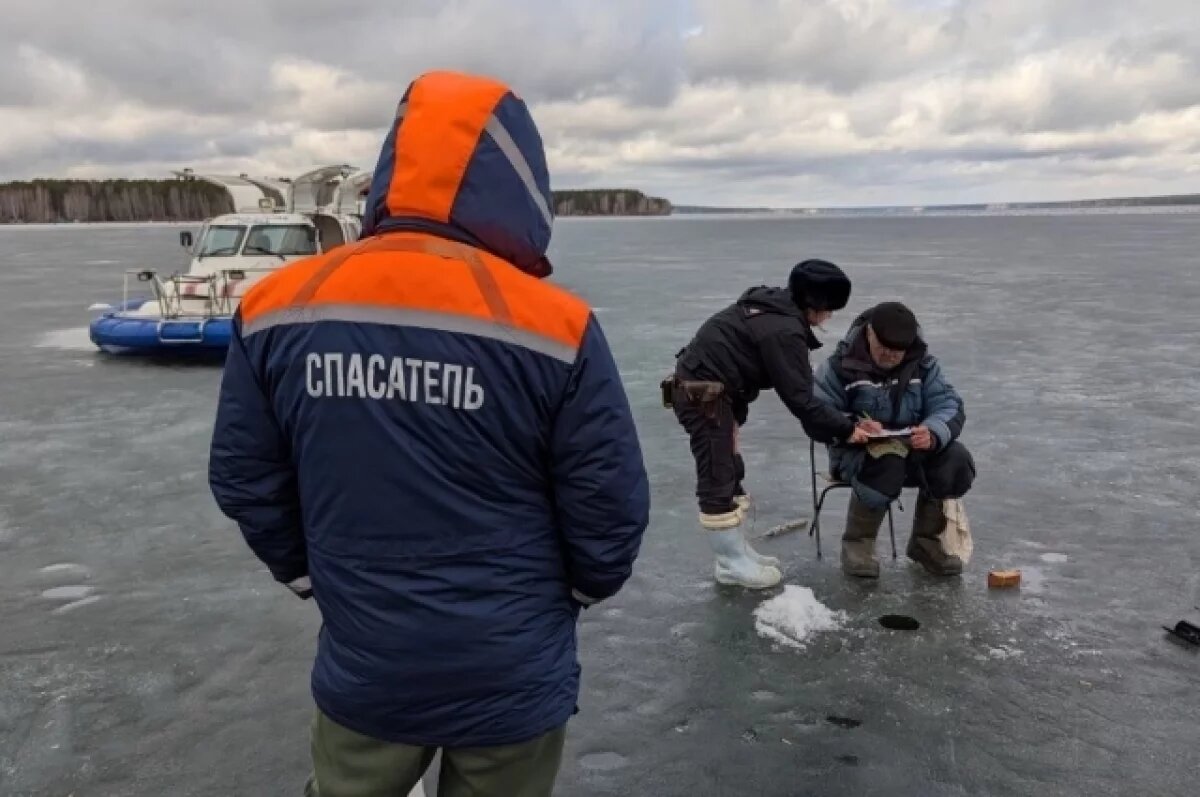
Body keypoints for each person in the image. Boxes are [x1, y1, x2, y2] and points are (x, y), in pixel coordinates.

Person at [208, 70, 650, 797]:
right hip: (511, 665)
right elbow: (609, 501)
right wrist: (577, 590)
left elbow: (244, 473)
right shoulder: (556, 325)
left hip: (368, 657)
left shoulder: (277, 307)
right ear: (519, 184)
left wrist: (305, 570)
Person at [666, 260, 882, 589]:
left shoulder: (772, 308)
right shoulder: (783, 331)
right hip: (704, 396)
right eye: (830, 309)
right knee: (717, 472)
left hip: (718, 394)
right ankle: (730, 561)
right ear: (818, 304)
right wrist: (847, 429)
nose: (830, 317)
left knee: (729, 468)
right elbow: (801, 400)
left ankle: (736, 552)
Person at [814, 301, 975, 578]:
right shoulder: (840, 366)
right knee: (887, 459)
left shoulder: (925, 366)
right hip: (856, 454)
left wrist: (932, 432)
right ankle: (858, 543)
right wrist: (852, 427)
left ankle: (925, 542)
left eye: (897, 351)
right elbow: (817, 412)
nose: (889, 355)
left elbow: (948, 405)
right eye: (883, 347)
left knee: (955, 459)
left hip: (912, 449)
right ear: (869, 333)